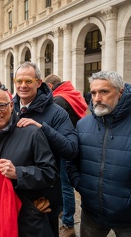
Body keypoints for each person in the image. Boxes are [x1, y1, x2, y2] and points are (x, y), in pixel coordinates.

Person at [68, 71, 131, 237]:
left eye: (104, 92)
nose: (97, 98)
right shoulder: (83, 125)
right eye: (93, 93)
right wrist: (81, 185)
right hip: (91, 215)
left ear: (120, 92)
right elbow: (72, 162)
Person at [0, 89, 58, 236]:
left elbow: (50, 173)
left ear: (11, 106)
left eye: (2, 105)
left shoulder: (32, 133)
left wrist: (18, 173)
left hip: (25, 219)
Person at [12, 62, 78, 236]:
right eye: (19, 81)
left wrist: (42, 128)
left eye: (28, 80)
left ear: (38, 82)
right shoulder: (7, 109)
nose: (23, 85)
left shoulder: (57, 112)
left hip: (44, 198)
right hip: (14, 194)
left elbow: (71, 149)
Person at [44, 74, 88, 237]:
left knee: (65, 185)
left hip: (63, 147)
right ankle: (66, 213)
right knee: (67, 183)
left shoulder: (59, 100)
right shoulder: (72, 94)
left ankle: (68, 223)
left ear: (49, 86)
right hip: (75, 142)